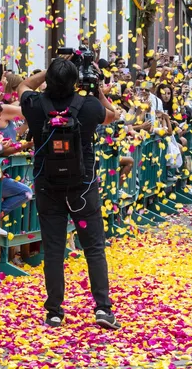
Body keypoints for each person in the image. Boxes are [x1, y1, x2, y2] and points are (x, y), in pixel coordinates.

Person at [17, 57, 123, 329]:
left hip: (48, 187)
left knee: (53, 249)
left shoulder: (35, 105)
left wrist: (51, 68)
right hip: (82, 189)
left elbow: (22, 86)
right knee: (94, 248)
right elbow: (112, 115)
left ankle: (54, 311)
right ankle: (103, 308)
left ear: (49, 80)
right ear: (75, 82)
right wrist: (97, 91)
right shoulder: (88, 106)